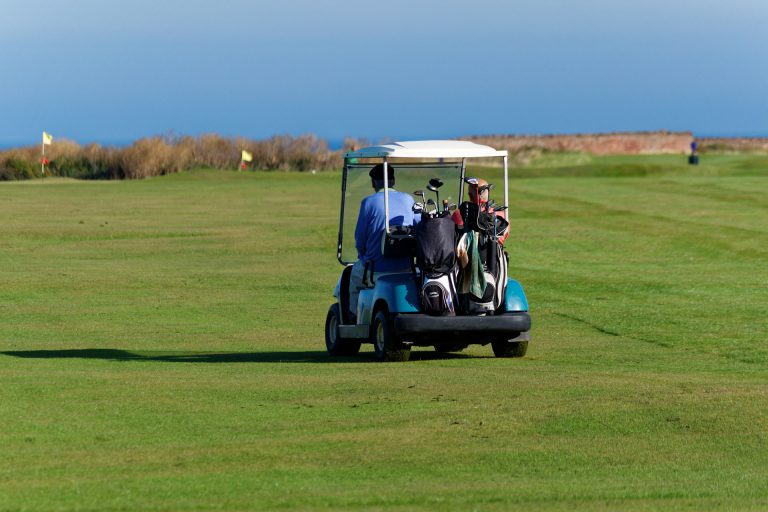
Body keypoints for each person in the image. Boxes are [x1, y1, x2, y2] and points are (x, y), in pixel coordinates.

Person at [348, 163, 418, 320]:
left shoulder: (369, 202)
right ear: (392, 180)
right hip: (405, 268)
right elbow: (418, 227)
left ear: (374, 182)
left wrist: (362, 255)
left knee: (353, 276)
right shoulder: (408, 199)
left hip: (376, 269)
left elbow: (360, 239)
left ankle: (352, 318)